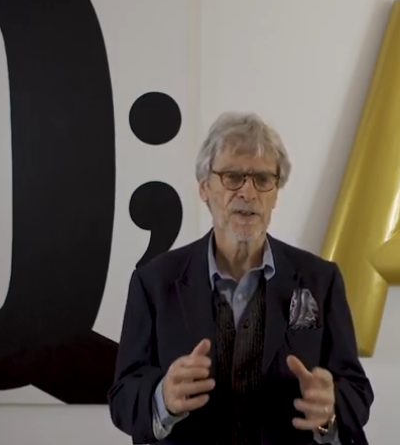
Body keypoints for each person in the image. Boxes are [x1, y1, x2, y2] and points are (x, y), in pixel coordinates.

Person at [108, 112, 374, 444]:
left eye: (263, 179)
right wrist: (162, 397)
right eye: (233, 177)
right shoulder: (154, 283)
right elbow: (123, 396)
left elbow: (356, 390)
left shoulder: (321, 280)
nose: (248, 192)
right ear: (204, 187)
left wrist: (330, 411)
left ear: (275, 193)